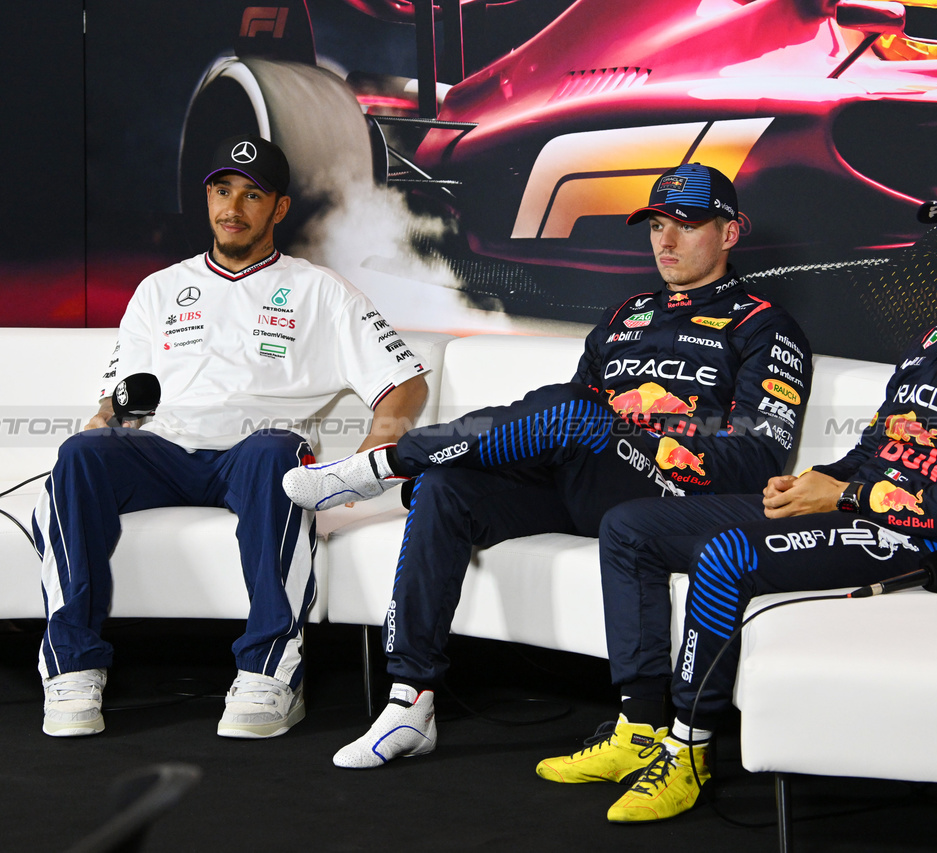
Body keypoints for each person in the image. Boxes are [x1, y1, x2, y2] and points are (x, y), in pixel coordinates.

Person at [536, 174, 937, 822]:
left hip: (916, 538)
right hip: (857, 504)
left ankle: (688, 750)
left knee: (725, 555)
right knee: (631, 526)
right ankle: (637, 728)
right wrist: (815, 480)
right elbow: (873, 450)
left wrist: (848, 494)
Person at [283, 163, 813, 768]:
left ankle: (382, 464)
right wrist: (586, 429)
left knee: (568, 411)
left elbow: (756, 459)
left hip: (670, 498)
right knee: (447, 487)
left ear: (730, 233)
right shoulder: (624, 316)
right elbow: (560, 425)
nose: (665, 241)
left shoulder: (766, 327)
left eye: (687, 225)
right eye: (657, 224)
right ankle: (410, 699)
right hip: (585, 483)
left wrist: (652, 435)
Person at [34, 134, 429, 739]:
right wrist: (107, 419)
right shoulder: (159, 289)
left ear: (279, 209)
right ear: (207, 198)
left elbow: (403, 384)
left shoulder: (320, 290)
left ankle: (271, 672)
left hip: (253, 455)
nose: (233, 207)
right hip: (163, 451)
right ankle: (72, 667)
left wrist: (370, 456)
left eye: (252, 195)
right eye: (222, 191)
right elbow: (119, 397)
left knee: (278, 452)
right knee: (80, 455)